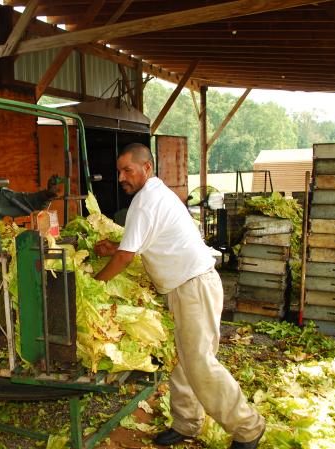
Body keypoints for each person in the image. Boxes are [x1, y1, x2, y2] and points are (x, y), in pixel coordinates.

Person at [93, 143, 265, 449]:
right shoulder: (155, 192)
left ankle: (248, 428)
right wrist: (115, 246)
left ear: (146, 168)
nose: (121, 177)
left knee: (199, 362)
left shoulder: (145, 202)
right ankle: (187, 423)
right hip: (187, 287)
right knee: (182, 361)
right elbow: (142, 240)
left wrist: (94, 284)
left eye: (127, 170)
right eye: (119, 171)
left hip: (193, 287)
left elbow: (125, 259)